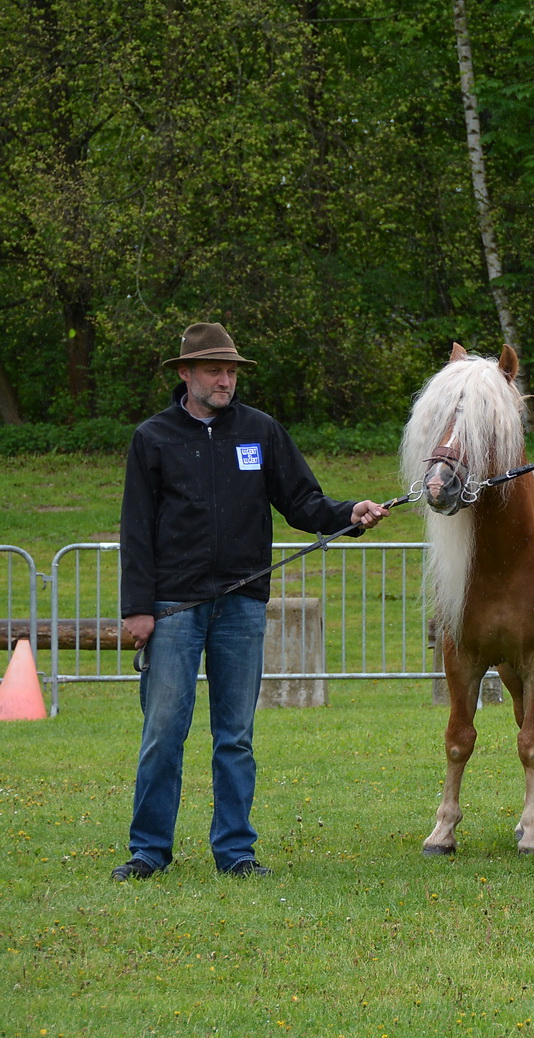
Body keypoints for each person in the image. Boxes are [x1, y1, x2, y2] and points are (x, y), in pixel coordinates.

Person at [111, 323, 390, 881]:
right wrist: (137, 608)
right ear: (185, 374)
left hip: (241, 606)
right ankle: (149, 851)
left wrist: (347, 515)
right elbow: (136, 529)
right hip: (173, 607)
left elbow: (302, 500)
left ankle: (235, 852)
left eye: (232, 371)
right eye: (214, 370)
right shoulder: (153, 437)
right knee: (164, 730)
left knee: (234, 735)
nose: (225, 380)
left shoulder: (260, 431)